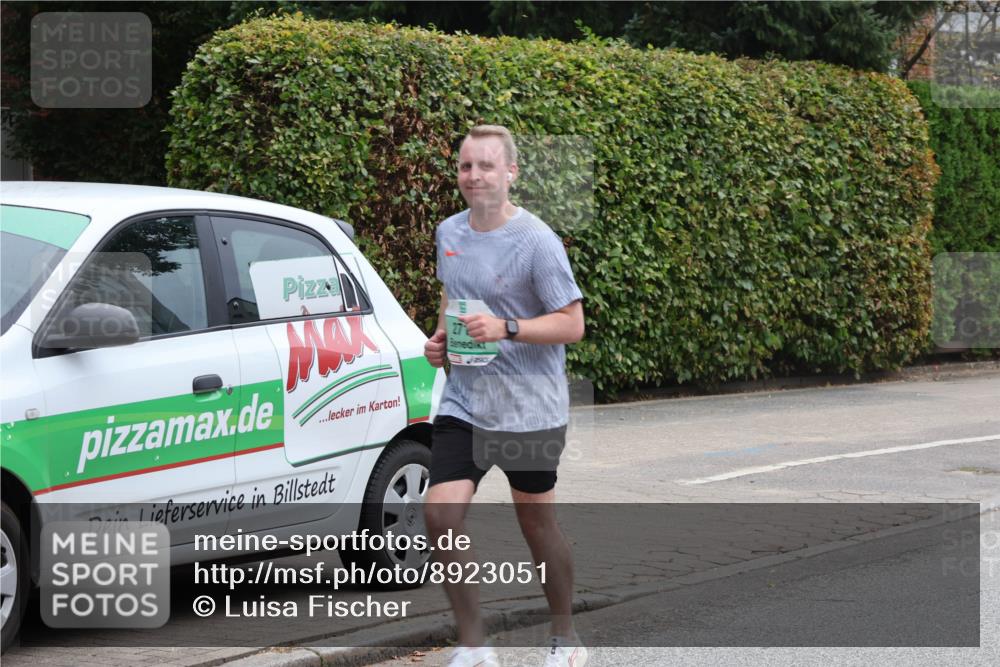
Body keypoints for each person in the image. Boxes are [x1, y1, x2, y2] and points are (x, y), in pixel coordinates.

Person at [423, 124, 587, 667]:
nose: (474, 176)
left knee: (536, 523)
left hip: (527, 406)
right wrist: (441, 341)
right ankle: (474, 646)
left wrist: (507, 329)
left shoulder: (537, 240)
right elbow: (453, 298)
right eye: (466, 166)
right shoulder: (449, 230)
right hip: (465, 400)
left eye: (486, 166)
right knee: (441, 516)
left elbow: (572, 324)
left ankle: (565, 637)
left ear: (511, 173)